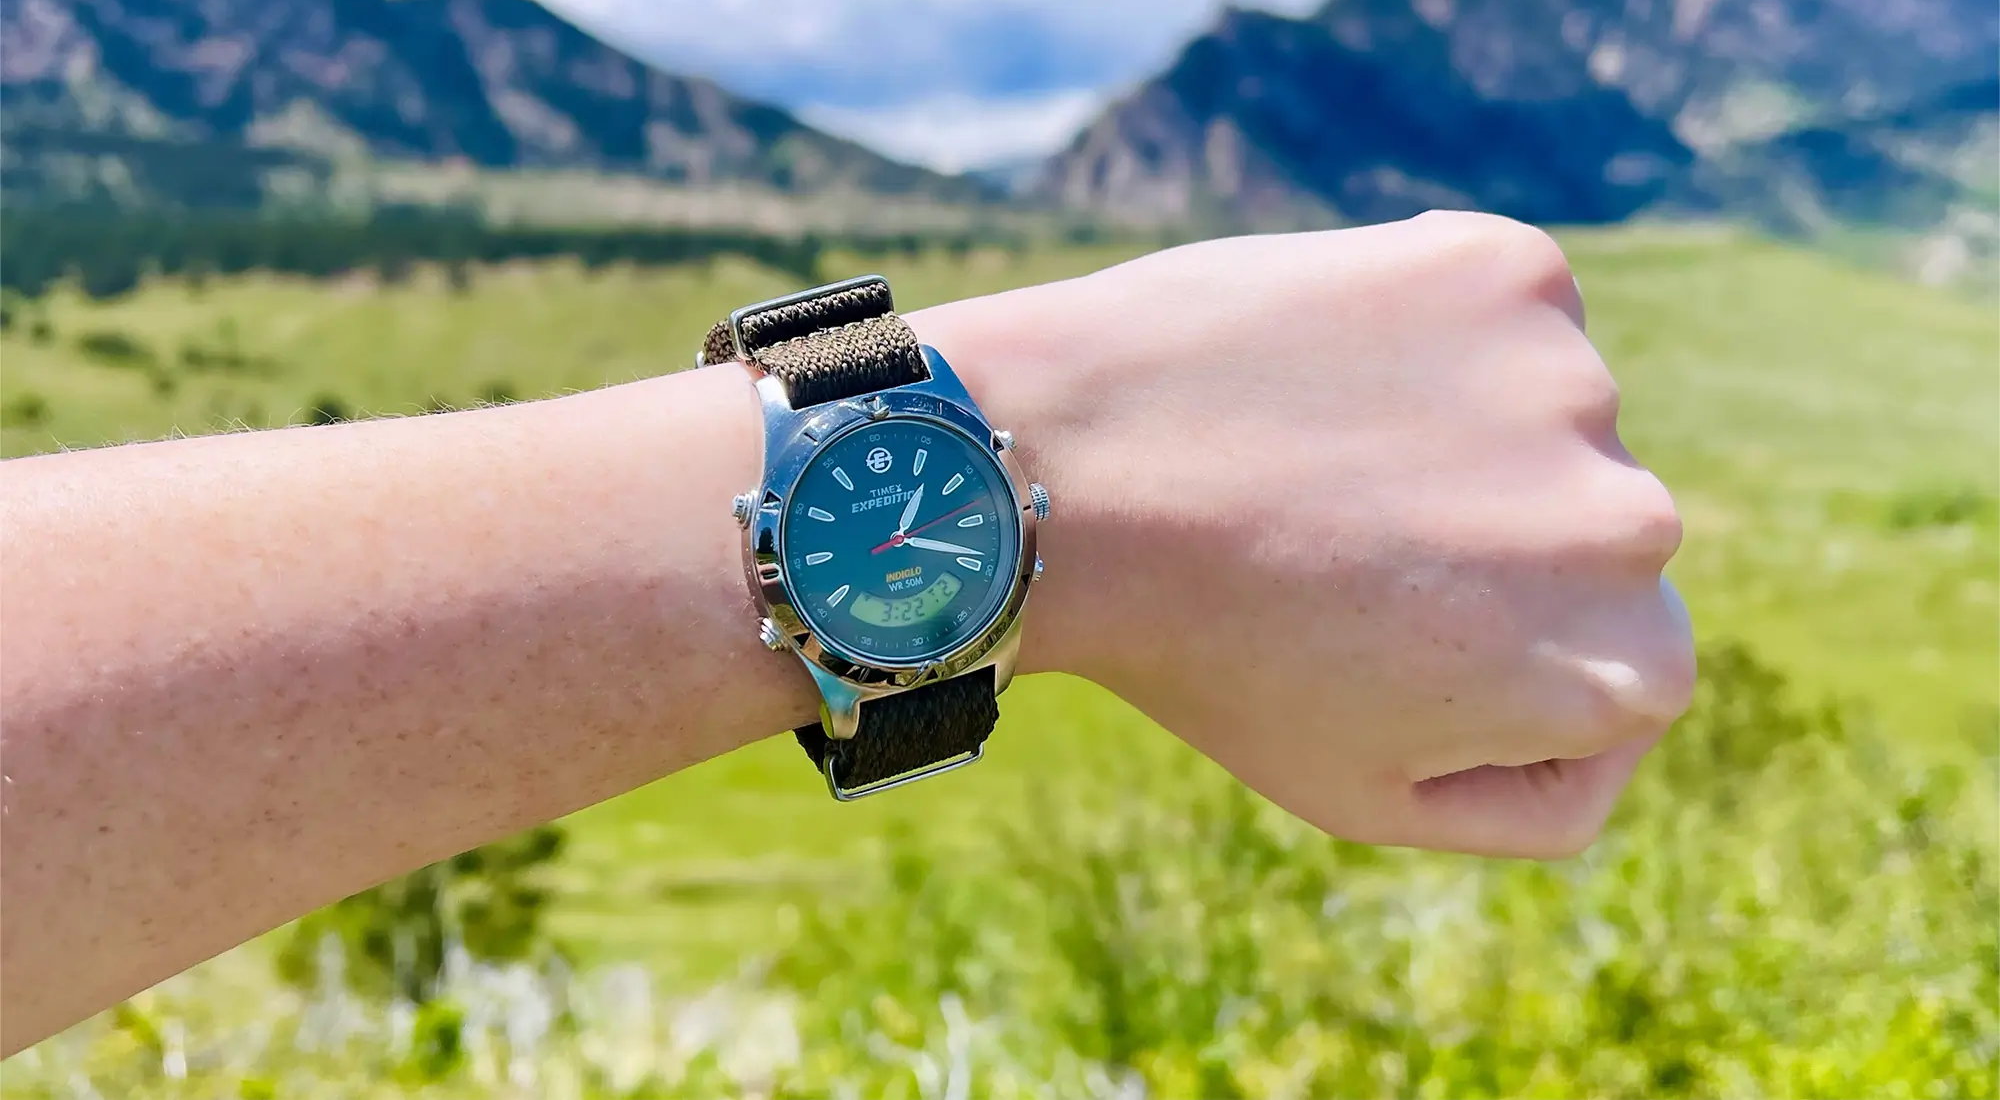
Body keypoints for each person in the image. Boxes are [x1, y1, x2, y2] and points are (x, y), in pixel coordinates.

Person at [0, 210, 1693, 1054]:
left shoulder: (874, 526)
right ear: (768, 549)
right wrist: (1101, 456)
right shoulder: (810, 550)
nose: (866, 542)